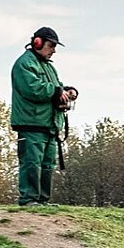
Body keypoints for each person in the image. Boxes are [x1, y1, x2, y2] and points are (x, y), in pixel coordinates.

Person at [10, 26, 78, 206]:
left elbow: (56, 87)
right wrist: (55, 91)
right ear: (38, 43)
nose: (54, 50)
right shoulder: (24, 64)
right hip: (31, 123)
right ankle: (29, 199)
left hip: (50, 124)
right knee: (32, 163)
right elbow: (32, 89)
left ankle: (42, 200)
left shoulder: (49, 67)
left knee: (48, 165)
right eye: (51, 46)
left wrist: (67, 90)